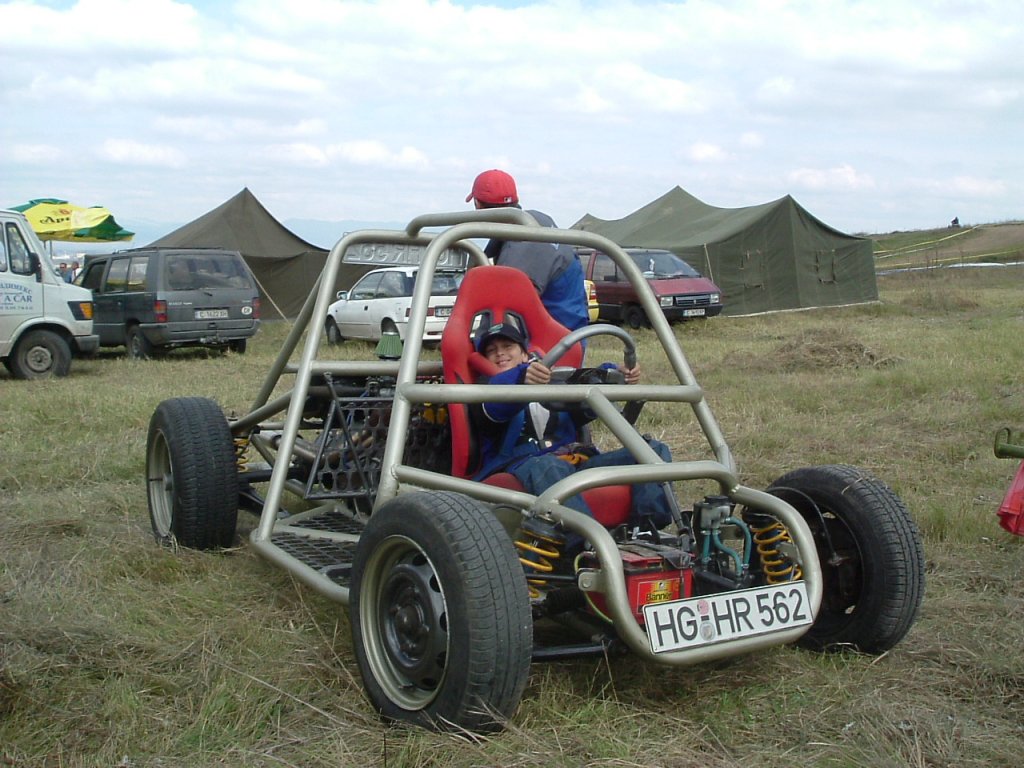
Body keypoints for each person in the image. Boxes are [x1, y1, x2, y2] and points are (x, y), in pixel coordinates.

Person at [472, 320, 674, 535]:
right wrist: (522, 377)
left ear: (524, 353)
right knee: (548, 465)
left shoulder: (554, 382)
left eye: (507, 346)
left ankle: (646, 533)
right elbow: (497, 404)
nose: (500, 353)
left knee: (652, 450)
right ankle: (586, 543)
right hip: (522, 466)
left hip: (573, 462)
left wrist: (616, 374)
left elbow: (583, 382)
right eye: (491, 351)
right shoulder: (486, 391)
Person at [466, 169, 590, 334]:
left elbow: (506, 314)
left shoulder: (516, 253)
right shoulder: (537, 220)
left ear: (478, 204)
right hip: (573, 329)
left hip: (551, 344)